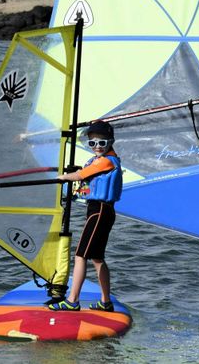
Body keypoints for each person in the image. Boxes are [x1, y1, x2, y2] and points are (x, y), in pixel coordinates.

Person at [48, 120, 123, 312]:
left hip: (99, 211)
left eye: (102, 143)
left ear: (111, 141)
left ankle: (72, 301)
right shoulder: (97, 160)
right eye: (92, 143)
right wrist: (74, 186)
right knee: (97, 258)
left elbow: (81, 176)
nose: (97, 147)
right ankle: (105, 302)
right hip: (98, 211)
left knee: (80, 255)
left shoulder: (107, 161)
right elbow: (86, 181)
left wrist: (64, 177)